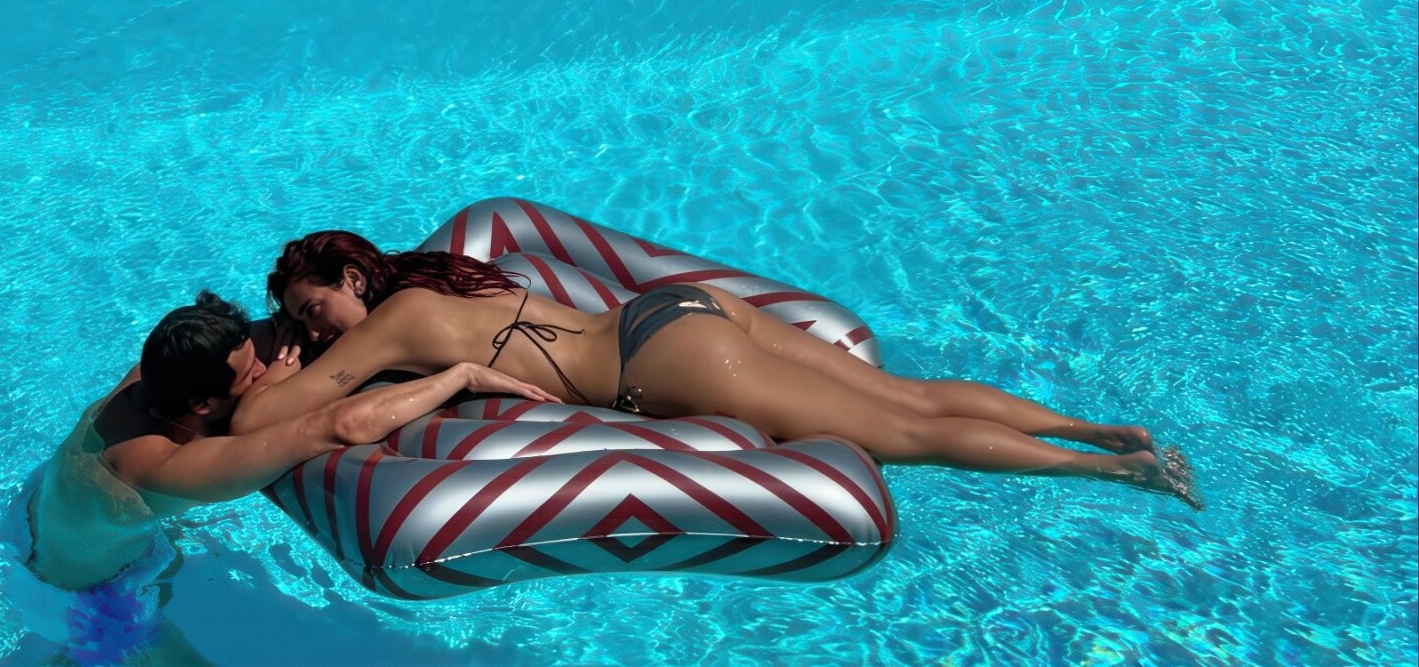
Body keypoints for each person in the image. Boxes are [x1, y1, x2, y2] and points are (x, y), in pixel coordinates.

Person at [236, 231, 1203, 508]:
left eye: (314, 312)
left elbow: (259, 423)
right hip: (669, 310)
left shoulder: (392, 322)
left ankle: (1116, 470)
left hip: (658, 359)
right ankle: (1094, 427)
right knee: (906, 394)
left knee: (906, 434)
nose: (316, 334)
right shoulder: (443, 277)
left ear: (351, 278)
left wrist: (275, 368)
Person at [11, 291, 552, 617]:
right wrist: (459, 376)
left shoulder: (150, 377)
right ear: (202, 405)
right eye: (251, 373)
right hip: (87, 590)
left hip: (43, 512)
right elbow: (338, 427)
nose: (264, 368)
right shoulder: (168, 468)